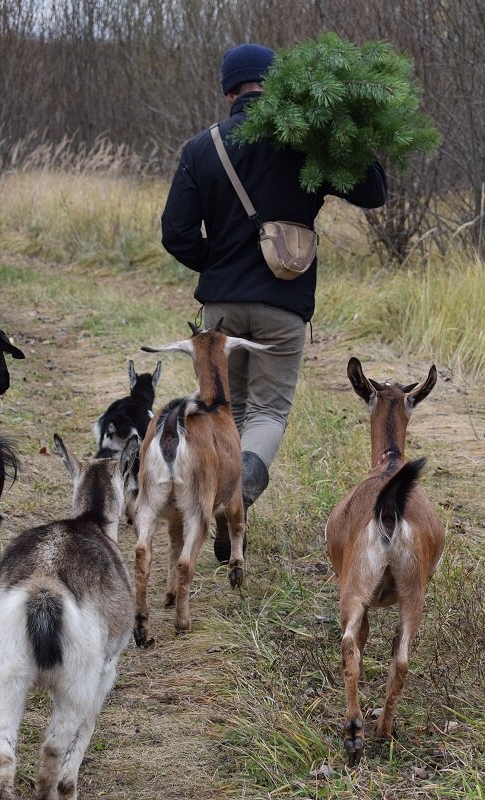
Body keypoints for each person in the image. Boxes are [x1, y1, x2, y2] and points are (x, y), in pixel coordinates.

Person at [161, 43, 388, 561]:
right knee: (267, 412)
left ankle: (218, 499)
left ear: (227, 91)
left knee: (226, 411)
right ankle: (235, 497)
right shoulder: (306, 143)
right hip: (284, 306)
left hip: (219, 308)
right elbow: (374, 191)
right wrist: (348, 131)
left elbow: (175, 234)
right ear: (276, 83)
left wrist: (216, 265)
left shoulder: (202, 149)